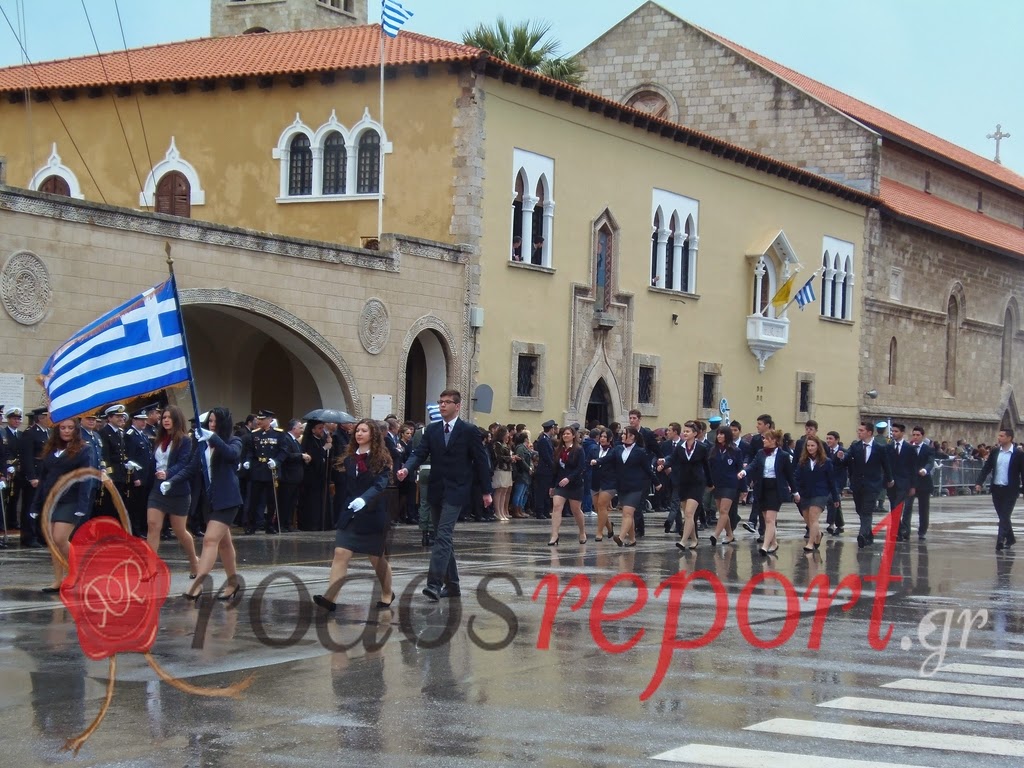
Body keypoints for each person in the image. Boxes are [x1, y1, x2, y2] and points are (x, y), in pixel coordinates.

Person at [396, 389, 492, 602]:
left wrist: (486, 491)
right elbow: (419, 453)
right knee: (443, 537)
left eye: (447, 402)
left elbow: (481, 461)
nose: (442, 405)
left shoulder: (468, 430)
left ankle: (434, 584)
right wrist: (406, 469)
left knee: (442, 536)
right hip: (437, 488)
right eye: (440, 402)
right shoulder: (432, 430)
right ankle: (454, 585)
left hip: (457, 490)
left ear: (457, 406)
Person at [313, 419, 395, 612]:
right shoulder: (350, 459)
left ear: (373, 435)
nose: (359, 434)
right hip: (351, 513)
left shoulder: (381, 459)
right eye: (357, 430)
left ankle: (387, 592)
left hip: (373, 513)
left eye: (364, 431)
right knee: (341, 553)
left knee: (376, 558)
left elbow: (380, 485)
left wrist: (364, 500)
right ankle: (330, 597)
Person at [179, 407, 244, 601]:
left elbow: (232, 454)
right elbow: (191, 467)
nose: (212, 425)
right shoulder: (203, 443)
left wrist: (213, 439)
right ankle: (233, 583)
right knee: (224, 544)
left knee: (209, 540)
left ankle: (197, 586)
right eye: (210, 421)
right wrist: (171, 480)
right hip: (211, 500)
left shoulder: (234, 440)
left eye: (215, 422)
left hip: (228, 499)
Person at [31, 418, 94, 593]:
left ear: (76, 430)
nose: (66, 431)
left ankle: (74, 573)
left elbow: (85, 478)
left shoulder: (84, 449)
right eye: (63, 428)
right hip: (51, 499)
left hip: (71, 499)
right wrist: (36, 505)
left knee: (60, 538)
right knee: (52, 541)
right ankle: (58, 580)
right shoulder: (51, 449)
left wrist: (83, 504)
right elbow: (43, 479)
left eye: (70, 428)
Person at [145, 405, 199, 577]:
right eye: (164, 417)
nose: (166, 420)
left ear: (177, 420)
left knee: (180, 531)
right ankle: (150, 567)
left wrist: (168, 474)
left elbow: (184, 463)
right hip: (157, 489)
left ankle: (194, 561)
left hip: (178, 490)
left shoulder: (185, 440)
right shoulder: (158, 439)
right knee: (153, 525)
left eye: (170, 417)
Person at [592, 426, 659, 547]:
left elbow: (648, 470)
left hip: (636, 486)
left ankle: (621, 537)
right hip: (622, 486)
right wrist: (597, 461)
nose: (622, 435)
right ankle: (632, 539)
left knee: (627, 513)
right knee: (629, 514)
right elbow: (608, 458)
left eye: (624, 434)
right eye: (622, 434)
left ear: (632, 436)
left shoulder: (640, 451)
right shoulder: (618, 449)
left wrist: (657, 483)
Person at [738, 428, 797, 556]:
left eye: (766, 438)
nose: (763, 440)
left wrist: (795, 492)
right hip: (762, 487)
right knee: (766, 518)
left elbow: (789, 476)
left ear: (774, 440)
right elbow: (753, 465)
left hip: (776, 488)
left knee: (770, 518)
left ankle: (765, 545)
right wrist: (744, 472)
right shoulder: (760, 453)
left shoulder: (783, 456)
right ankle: (774, 543)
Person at [837, 421, 894, 549]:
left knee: (866, 511)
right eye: (858, 430)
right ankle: (869, 535)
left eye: (861, 430)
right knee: (860, 510)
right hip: (857, 484)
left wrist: (890, 479)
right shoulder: (855, 446)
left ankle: (862, 535)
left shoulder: (879, 448)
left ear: (869, 432)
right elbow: (847, 457)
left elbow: (886, 465)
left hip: (873, 485)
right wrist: (841, 457)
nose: (859, 433)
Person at [659, 420, 712, 550]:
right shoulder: (680, 447)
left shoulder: (701, 448)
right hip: (683, 482)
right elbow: (672, 458)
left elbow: (707, 466)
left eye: (688, 431)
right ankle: (694, 539)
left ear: (695, 433)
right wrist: (663, 465)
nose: (685, 433)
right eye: (684, 431)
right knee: (687, 514)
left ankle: (683, 541)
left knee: (689, 513)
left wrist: (710, 483)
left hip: (697, 483)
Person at [975, 429, 1024, 552]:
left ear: (1009, 438)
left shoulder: (1018, 454)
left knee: (1005, 515)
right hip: (997, 488)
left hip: (1011, 490)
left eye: (1002, 436)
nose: (999, 438)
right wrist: (979, 482)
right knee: (1002, 516)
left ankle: (1000, 540)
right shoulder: (995, 452)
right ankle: (1011, 538)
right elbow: (987, 468)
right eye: (999, 435)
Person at [793, 434, 840, 552]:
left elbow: (831, 481)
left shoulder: (826, 462)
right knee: (807, 519)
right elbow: (796, 478)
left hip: (820, 493)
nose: (810, 448)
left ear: (818, 447)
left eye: (812, 445)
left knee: (813, 517)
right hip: (805, 493)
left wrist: (835, 498)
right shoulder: (802, 462)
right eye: (808, 446)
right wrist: (795, 492)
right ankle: (818, 534)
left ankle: (810, 543)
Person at [547, 426, 588, 545]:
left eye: (568, 434)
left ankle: (582, 532)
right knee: (557, 507)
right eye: (564, 434)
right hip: (560, 484)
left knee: (575, 510)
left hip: (575, 484)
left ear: (573, 436)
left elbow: (581, 468)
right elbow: (555, 469)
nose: (565, 436)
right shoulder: (558, 450)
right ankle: (554, 535)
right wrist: (552, 485)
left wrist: (569, 478)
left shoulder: (579, 450)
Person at [707, 425, 743, 546]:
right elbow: (709, 468)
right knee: (723, 512)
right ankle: (730, 534)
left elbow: (740, 469)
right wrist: (709, 482)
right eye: (718, 434)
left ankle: (715, 534)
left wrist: (743, 488)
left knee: (724, 510)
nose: (719, 436)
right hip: (717, 484)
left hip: (730, 484)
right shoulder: (713, 450)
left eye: (722, 434)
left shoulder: (736, 451)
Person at [902, 426, 935, 540]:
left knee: (923, 509)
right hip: (910, 483)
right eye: (914, 435)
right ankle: (906, 530)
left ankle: (922, 531)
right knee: (907, 507)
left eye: (918, 435)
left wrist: (925, 470)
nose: (915, 437)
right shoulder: (908, 448)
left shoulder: (928, 449)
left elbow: (930, 462)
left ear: (922, 436)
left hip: (923, 483)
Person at [886, 423, 918, 540]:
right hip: (892, 483)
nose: (894, 433)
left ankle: (896, 531)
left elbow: (913, 468)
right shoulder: (888, 447)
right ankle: (899, 531)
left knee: (897, 506)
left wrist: (913, 486)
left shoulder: (909, 448)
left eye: (896, 431)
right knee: (894, 507)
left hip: (904, 483)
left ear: (902, 433)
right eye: (892, 431)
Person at [588, 428, 616, 541]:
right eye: (601, 436)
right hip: (595, 480)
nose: (602, 439)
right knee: (598, 508)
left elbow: (607, 459)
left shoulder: (613, 451)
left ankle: (599, 532)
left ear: (610, 439)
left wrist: (597, 461)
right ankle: (609, 528)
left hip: (609, 482)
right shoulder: (593, 449)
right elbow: (587, 461)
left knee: (602, 505)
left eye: (605, 437)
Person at [490, 426, 514, 522]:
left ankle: (503, 511)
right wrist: (510, 458)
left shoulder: (505, 444)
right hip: (500, 468)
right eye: (507, 433)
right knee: (499, 490)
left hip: (507, 469)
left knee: (504, 490)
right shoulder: (497, 444)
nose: (508, 435)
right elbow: (498, 457)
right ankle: (498, 512)